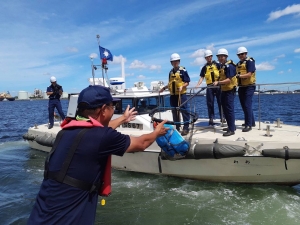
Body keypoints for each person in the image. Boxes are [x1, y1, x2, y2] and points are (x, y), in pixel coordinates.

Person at [28, 85, 168, 225]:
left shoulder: (64, 133)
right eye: (112, 106)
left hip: (39, 217)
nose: (114, 109)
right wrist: (157, 132)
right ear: (103, 110)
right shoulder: (102, 137)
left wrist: (123, 119)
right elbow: (141, 143)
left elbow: (98, 132)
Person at [159, 53, 190, 136]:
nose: (175, 63)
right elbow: (170, 83)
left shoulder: (183, 70)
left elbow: (187, 82)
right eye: (173, 61)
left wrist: (182, 86)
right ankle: (177, 126)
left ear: (179, 61)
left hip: (181, 94)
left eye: (176, 61)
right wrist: (164, 88)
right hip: (173, 95)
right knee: (174, 111)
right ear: (171, 63)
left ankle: (186, 127)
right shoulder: (170, 72)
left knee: (184, 110)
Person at [213, 48, 237, 136]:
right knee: (226, 110)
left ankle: (231, 130)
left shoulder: (229, 66)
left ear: (226, 56)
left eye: (222, 56)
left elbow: (229, 80)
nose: (220, 58)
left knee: (229, 110)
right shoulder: (223, 66)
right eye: (219, 56)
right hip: (224, 90)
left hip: (229, 91)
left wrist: (218, 82)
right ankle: (231, 126)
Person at [196, 50, 224, 125]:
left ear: (211, 56)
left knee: (220, 102)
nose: (208, 58)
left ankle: (222, 117)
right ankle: (211, 118)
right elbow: (202, 77)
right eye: (207, 57)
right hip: (210, 87)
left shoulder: (218, 64)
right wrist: (198, 84)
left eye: (209, 56)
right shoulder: (204, 67)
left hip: (218, 85)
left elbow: (222, 73)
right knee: (210, 103)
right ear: (205, 58)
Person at [236, 47, 256, 132]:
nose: (240, 56)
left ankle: (248, 125)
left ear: (246, 54)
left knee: (247, 105)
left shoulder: (250, 62)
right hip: (242, 87)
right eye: (239, 54)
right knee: (244, 105)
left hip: (249, 86)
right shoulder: (238, 64)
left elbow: (249, 74)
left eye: (242, 54)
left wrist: (239, 76)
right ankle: (252, 122)